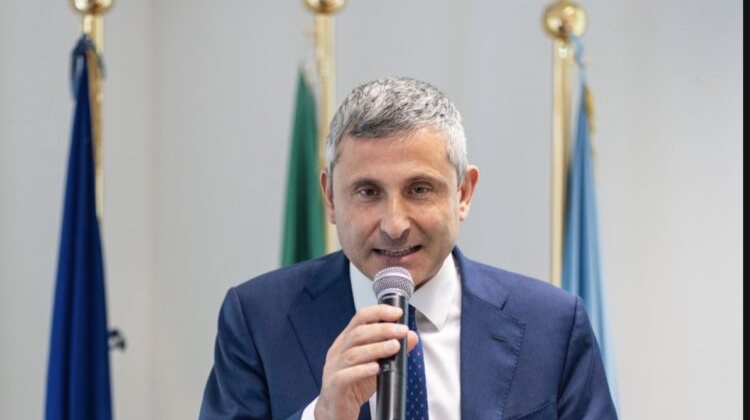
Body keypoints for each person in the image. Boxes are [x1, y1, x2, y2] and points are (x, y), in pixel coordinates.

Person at [199, 77, 617, 419]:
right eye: (367, 192)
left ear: (463, 193)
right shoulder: (257, 319)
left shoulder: (553, 325)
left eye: (419, 189)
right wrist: (322, 416)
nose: (394, 225)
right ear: (330, 198)